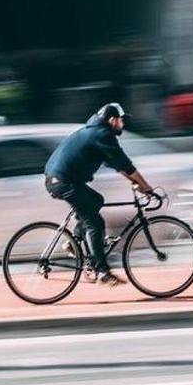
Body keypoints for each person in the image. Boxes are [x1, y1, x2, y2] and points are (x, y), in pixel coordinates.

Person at [44, 103, 155, 287]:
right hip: (63, 182)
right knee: (95, 223)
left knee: (97, 200)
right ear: (112, 120)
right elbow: (125, 163)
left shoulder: (95, 132)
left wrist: (135, 181)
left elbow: (117, 165)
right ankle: (103, 272)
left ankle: (75, 241)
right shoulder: (102, 134)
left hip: (62, 180)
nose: (123, 125)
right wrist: (145, 186)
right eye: (121, 120)